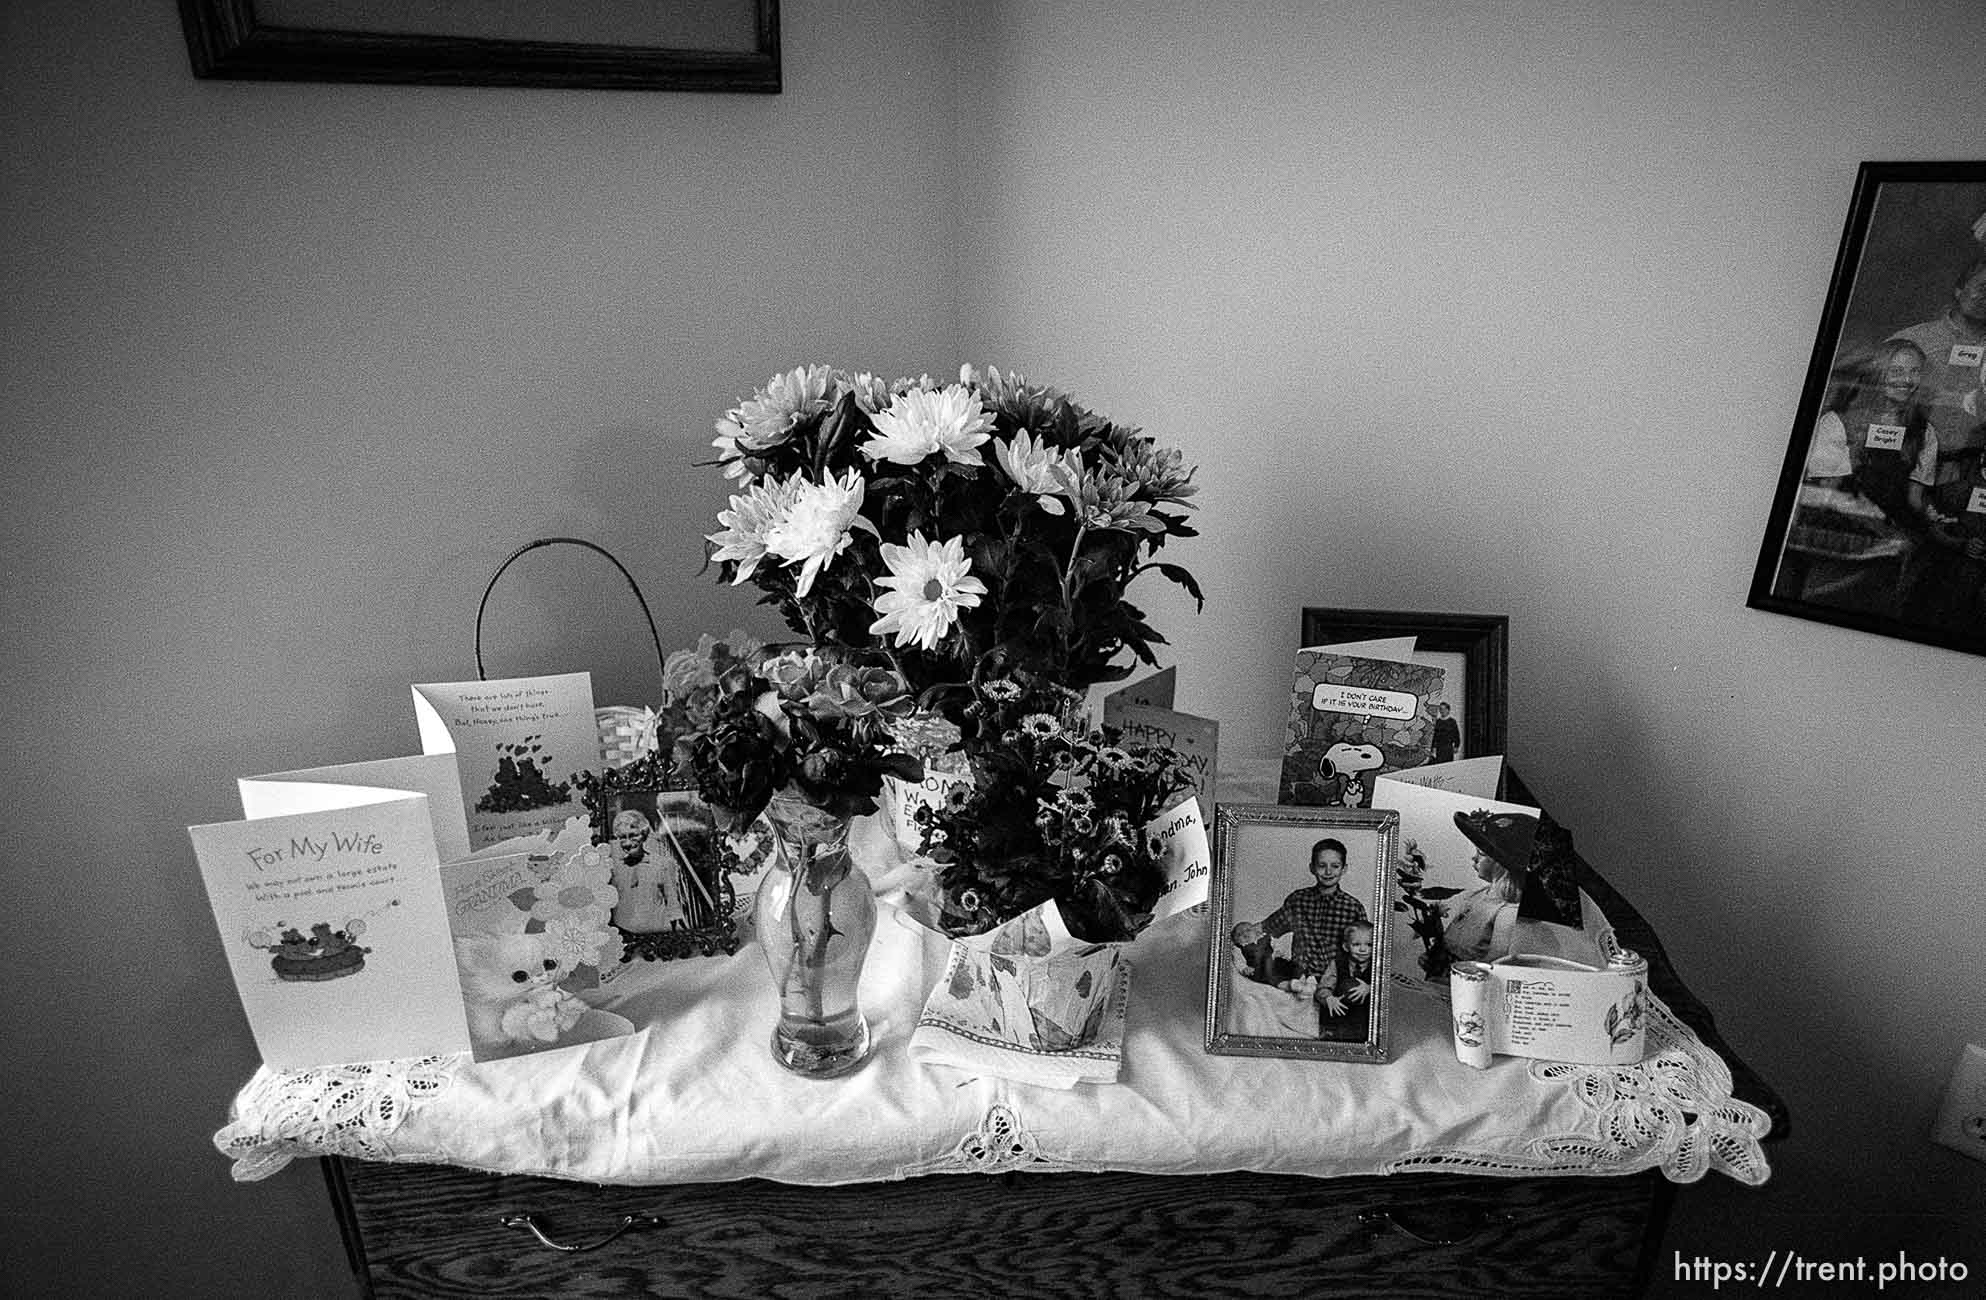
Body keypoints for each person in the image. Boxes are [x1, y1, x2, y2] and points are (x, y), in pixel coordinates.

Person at [1887, 255, 1986, 483]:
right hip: (1905, 466)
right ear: (1960, 289)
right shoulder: (1912, 340)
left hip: (1972, 474)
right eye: (1982, 287)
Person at [1259, 838, 1370, 981]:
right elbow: (1267, 928)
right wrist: (1242, 935)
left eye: (1335, 866)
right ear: (1312, 868)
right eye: (1322, 865)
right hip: (1300, 977)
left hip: (1336, 982)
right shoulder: (1297, 900)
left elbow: (1366, 950)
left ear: (1344, 869)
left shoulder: (1353, 908)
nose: (1328, 871)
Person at [1439, 810, 1533, 964]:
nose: (1474, 858)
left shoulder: (1507, 912)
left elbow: (1495, 962)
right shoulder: (1475, 896)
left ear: (1501, 865)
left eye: (1481, 853)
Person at [608, 807, 688, 933]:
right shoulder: (614, 867)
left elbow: (672, 901)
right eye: (623, 837)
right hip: (624, 930)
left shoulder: (663, 864)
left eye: (634, 835)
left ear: (644, 836)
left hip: (657, 927)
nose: (628, 843)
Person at [1318, 920, 1375, 1042]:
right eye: (1356, 944)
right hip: (1340, 1017)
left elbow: (1389, 989)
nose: (1363, 949)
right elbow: (1323, 988)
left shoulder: (1379, 966)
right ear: (1346, 946)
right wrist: (1328, 998)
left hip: (1366, 1020)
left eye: (1369, 945)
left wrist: (1371, 988)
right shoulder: (1337, 964)